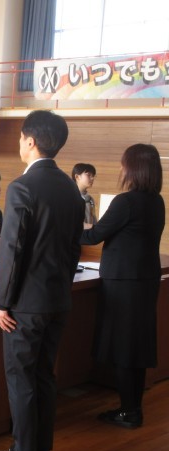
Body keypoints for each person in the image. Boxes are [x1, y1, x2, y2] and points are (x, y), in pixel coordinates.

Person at [0, 110, 84, 451]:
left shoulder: (23, 187)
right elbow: (74, 248)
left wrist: (2, 301)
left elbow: (12, 251)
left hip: (24, 305)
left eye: (20, 138)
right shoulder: (71, 189)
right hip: (58, 300)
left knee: (21, 377)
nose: (19, 144)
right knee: (44, 375)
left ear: (30, 141)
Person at [79, 144, 165, 429]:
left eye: (124, 164)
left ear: (134, 168)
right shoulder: (156, 201)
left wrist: (62, 227)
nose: (121, 168)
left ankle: (129, 412)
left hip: (124, 282)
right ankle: (132, 408)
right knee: (136, 346)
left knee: (124, 347)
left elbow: (93, 237)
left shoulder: (126, 202)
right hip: (145, 280)